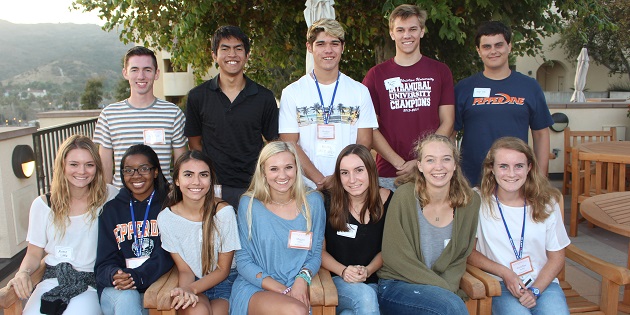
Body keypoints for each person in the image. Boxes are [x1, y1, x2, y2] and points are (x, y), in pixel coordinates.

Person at [6, 135, 118, 315]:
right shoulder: (43, 205)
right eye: (74, 164)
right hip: (52, 279)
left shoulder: (110, 197)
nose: (82, 171)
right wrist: (23, 273)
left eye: (89, 164)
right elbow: (34, 253)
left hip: (90, 283)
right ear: (62, 166)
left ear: (96, 168)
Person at [378, 134, 480, 314]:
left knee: (448, 306)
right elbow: (395, 257)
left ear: (455, 165)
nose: (438, 167)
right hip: (399, 285)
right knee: (451, 306)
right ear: (420, 166)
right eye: (430, 160)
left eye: (446, 159)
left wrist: (444, 289)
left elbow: (461, 255)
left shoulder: (469, 202)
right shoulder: (404, 197)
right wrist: (445, 289)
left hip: (444, 290)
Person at [467, 137, 570, 314]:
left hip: (542, 283)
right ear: (491, 168)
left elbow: (557, 256)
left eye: (519, 166)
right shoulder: (478, 202)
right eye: (503, 166)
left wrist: (536, 290)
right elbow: (469, 252)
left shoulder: (546, 203)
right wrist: (505, 273)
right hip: (499, 283)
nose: (512, 174)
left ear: (529, 167)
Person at [362, 4, 455, 191]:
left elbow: (448, 122)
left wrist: (422, 160)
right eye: (400, 30)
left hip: (432, 172)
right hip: (390, 173)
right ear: (391, 33)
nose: (407, 35)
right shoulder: (375, 75)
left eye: (413, 29)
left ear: (422, 31)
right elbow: (368, 127)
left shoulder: (440, 71)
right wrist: (400, 163)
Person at [185, 25, 278, 208]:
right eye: (225, 49)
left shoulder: (264, 97)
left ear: (247, 55)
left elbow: (273, 143)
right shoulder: (198, 96)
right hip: (214, 188)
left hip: (254, 186)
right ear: (214, 55)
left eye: (238, 49)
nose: (232, 55)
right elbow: (195, 144)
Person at [279, 18, 378, 190]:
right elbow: (290, 143)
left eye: (334, 43)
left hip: (349, 185)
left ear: (343, 47)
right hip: (306, 188)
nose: (328, 50)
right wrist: (319, 179)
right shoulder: (292, 92)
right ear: (309, 47)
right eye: (321, 44)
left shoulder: (359, 91)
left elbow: (364, 141)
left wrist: (340, 177)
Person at [229, 141, 325, 314]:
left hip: (297, 284)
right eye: (274, 169)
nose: (282, 175)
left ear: (297, 169)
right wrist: (283, 291)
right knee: (296, 311)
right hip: (257, 286)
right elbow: (243, 260)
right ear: (263, 172)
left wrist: (302, 279)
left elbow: (315, 252)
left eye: (288, 167)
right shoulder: (249, 204)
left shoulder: (313, 202)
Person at [454, 21, 553, 186]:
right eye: (486, 47)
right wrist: (453, 173)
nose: (493, 51)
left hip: (516, 179)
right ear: (478, 51)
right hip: (471, 180)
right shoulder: (464, 88)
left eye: (498, 45)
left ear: (509, 46)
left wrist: (540, 178)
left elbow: (541, 134)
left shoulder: (529, 87)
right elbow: (450, 134)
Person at [157, 151, 241, 315]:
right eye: (188, 174)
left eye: (203, 175)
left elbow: (223, 269)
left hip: (226, 281)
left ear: (211, 180)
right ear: (177, 180)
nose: (196, 181)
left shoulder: (224, 213)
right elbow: (185, 269)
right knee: (197, 312)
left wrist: (190, 289)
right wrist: (186, 290)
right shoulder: (166, 218)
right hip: (192, 279)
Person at [95, 144, 174, 315]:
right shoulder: (110, 210)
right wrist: (115, 274)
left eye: (143, 168)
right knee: (127, 297)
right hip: (117, 289)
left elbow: (168, 255)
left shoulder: (169, 206)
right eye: (128, 170)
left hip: (157, 283)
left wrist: (137, 276)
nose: (136, 175)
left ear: (155, 172)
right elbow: (103, 263)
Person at [94, 46, 187, 188]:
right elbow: (105, 164)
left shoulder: (173, 113)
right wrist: (107, 200)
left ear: (156, 74)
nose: (141, 76)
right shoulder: (109, 115)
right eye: (134, 69)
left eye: (147, 70)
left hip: (162, 200)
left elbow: (181, 162)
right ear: (125, 73)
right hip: (122, 199)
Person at [321, 144, 393, 315]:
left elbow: (390, 247)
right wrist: (344, 271)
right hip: (336, 282)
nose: (352, 179)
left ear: (371, 170)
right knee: (365, 296)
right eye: (345, 173)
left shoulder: (390, 200)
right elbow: (318, 251)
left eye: (359, 170)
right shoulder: (326, 202)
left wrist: (368, 270)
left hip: (376, 282)